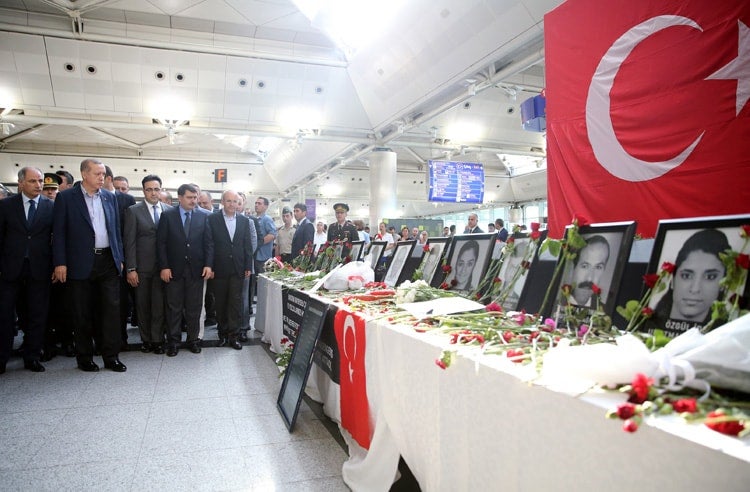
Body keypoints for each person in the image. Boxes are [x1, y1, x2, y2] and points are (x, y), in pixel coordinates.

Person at [53, 158, 126, 372]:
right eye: (97, 174)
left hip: (107, 261)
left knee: (111, 312)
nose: (102, 178)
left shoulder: (110, 198)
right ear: (84, 174)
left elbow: (115, 231)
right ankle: (84, 358)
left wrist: (119, 257)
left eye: (103, 174)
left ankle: (111, 357)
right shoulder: (66, 198)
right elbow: (59, 233)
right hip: (79, 262)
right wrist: (60, 262)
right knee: (82, 312)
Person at [0, 167, 54, 374]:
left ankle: (32, 356)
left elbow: (55, 238)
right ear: (20, 183)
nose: (38, 185)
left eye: (40, 181)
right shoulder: (6, 206)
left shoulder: (51, 206)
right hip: (9, 270)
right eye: (33, 181)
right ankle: (2, 358)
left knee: (37, 315)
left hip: (39, 270)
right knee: (4, 316)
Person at [157, 183, 214, 356]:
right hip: (174, 270)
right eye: (190, 197)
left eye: (195, 197)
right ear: (180, 198)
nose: (193, 201)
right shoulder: (167, 216)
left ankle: (193, 340)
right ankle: (173, 342)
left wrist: (208, 264)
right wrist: (164, 267)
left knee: (194, 308)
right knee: (174, 308)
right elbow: (161, 244)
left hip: (196, 270)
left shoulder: (204, 216)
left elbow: (209, 243)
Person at [123, 175, 171, 354]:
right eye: (149, 189)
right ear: (143, 191)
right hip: (141, 268)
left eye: (156, 189)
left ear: (161, 190)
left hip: (163, 268)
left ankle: (157, 340)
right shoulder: (133, 211)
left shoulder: (168, 210)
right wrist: (131, 268)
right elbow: (130, 242)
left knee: (159, 306)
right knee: (143, 306)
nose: (153, 192)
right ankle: (146, 340)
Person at [655, 229, 731, 328]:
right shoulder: (645, 325)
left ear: (723, 284)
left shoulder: (725, 336)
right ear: (673, 280)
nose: (695, 289)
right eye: (686, 276)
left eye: (710, 277)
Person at [208, 190, 253, 350]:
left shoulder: (243, 221)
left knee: (235, 303)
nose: (232, 204)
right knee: (220, 303)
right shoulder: (212, 219)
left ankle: (233, 336)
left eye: (235, 201)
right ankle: (222, 334)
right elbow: (210, 244)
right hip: (218, 269)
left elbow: (247, 245)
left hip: (238, 268)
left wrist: (248, 266)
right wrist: (210, 266)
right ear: (222, 201)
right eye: (228, 201)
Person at [569, 235, 610, 306]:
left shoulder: (605, 312)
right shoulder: (554, 305)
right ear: (574, 267)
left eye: (598, 267)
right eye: (585, 266)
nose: (590, 278)